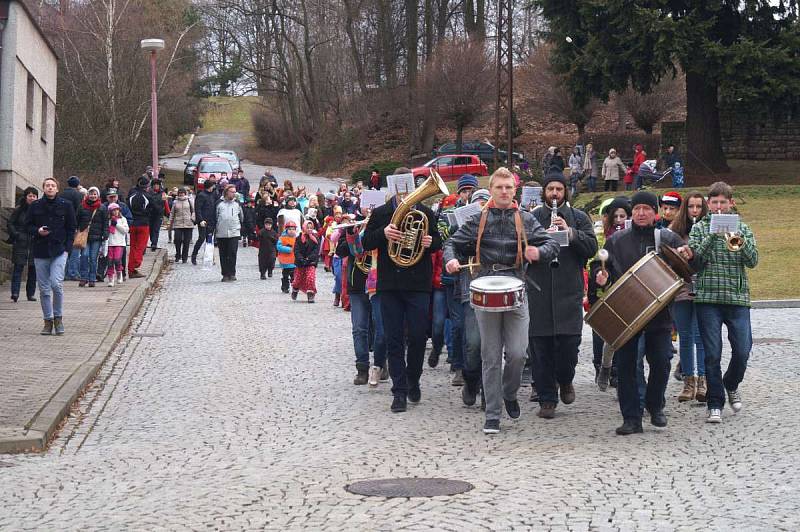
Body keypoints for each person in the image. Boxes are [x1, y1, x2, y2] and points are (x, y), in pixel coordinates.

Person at [445, 167, 559, 434]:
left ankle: (509, 393)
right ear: (492, 190)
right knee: (491, 355)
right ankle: (493, 414)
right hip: (484, 288)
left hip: (517, 288)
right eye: (499, 188)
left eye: (509, 187)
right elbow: (452, 242)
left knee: (519, 353)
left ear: (515, 190)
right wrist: (451, 259)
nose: (504, 192)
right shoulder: (478, 219)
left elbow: (552, 245)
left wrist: (538, 251)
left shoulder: (526, 219)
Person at [592, 191, 685, 435]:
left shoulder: (668, 238)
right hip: (626, 311)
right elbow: (600, 268)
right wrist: (600, 277)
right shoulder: (617, 240)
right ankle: (631, 418)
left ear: (655, 213)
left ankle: (655, 405)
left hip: (659, 311)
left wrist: (689, 255)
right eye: (637, 209)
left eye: (646, 209)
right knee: (626, 365)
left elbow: (689, 266)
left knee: (662, 361)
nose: (641, 213)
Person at [362, 167, 442, 414]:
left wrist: (431, 242)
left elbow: (437, 241)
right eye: (400, 186)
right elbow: (366, 243)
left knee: (418, 336)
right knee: (394, 337)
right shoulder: (382, 213)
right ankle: (399, 390)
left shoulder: (425, 213)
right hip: (390, 284)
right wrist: (383, 233)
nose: (405, 191)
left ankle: (413, 378)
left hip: (418, 284)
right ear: (393, 187)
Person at [684, 181, 758, 424]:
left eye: (722, 202)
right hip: (707, 299)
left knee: (743, 351)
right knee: (712, 354)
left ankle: (731, 383)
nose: (718, 207)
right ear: (708, 204)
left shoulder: (743, 228)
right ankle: (715, 403)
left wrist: (737, 239)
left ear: (730, 203)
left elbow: (753, 261)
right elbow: (694, 262)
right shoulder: (699, 229)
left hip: (737, 299)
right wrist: (712, 237)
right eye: (714, 202)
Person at [527, 170, 598, 419]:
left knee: (569, 347)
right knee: (541, 349)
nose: (554, 193)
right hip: (539, 291)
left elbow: (591, 249)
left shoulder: (578, 217)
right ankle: (547, 398)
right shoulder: (532, 217)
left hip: (568, 291)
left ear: (565, 191)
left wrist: (570, 233)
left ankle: (566, 380)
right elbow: (521, 246)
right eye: (550, 189)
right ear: (544, 192)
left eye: (559, 189)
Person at [669, 192, 708, 403]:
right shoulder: (675, 232)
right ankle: (688, 381)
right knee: (685, 335)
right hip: (682, 288)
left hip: (703, 287)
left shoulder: (708, 231)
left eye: (699, 207)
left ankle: (703, 380)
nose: (695, 211)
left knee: (700, 335)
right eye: (691, 207)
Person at [27, 177, 77, 335]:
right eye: (47, 185)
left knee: (56, 284)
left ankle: (58, 318)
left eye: (52, 185)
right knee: (44, 289)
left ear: (57, 188)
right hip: (40, 251)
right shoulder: (35, 206)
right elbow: (26, 225)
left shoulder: (66, 205)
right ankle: (47, 321)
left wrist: (68, 249)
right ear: (43, 188)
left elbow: (71, 228)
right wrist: (37, 231)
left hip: (59, 250)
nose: (50, 188)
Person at [8, 187, 39, 302]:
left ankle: (30, 294)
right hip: (21, 241)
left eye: (34, 196)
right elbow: (10, 223)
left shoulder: (39, 210)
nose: (32, 198)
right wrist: (16, 234)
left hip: (34, 241)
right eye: (30, 195)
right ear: (26, 196)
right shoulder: (19, 210)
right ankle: (15, 292)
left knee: (33, 269)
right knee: (18, 268)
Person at [76, 187, 109, 288]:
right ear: (88, 195)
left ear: (98, 195)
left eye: (95, 194)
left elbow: (105, 223)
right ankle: (83, 278)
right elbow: (77, 220)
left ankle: (92, 279)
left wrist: (105, 234)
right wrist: (77, 230)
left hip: (97, 237)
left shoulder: (102, 208)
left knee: (93, 259)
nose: (93, 196)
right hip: (84, 236)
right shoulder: (82, 206)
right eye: (91, 194)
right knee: (84, 256)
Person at [214, 185, 243, 282]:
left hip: (234, 232)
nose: (234, 194)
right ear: (226, 192)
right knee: (223, 254)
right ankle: (225, 274)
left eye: (235, 192)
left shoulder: (237, 204)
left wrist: (239, 227)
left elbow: (241, 217)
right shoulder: (219, 204)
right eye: (232, 192)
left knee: (232, 253)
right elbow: (215, 217)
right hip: (221, 233)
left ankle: (232, 273)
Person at [127, 176, 153, 278]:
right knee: (141, 246)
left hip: (133, 224)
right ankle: (136, 264)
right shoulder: (148, 196)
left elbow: (127, 208)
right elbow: (154, 209)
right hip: (143, 224)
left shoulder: (131, 195)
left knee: (133, 246)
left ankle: (130, 269)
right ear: (147, 186)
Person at [59, 175, 83, 280]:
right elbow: (80, 211)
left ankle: (62, 273)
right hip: (74, 225)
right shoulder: (78, 195)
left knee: (64, 250)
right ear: (77, 184)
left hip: (61, 226)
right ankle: (72, 273)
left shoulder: (60, 195)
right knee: (75, 250)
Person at [290, 220, 320, 302]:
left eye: (311, 227)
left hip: (311, 262)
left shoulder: (315, 238)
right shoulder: (299, 238)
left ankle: (310, 295)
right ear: (304, 227)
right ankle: (295, 289)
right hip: (300, 263)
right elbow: (296, 250)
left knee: (310, 278)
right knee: (298, 280)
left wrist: (309, 259)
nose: (309, 229)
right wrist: (301, 259)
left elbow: (316, 251)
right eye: (308, 227)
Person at [191, 180, 217, 265]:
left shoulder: (213, 194)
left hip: (211, 220)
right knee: (201, 238)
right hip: (203, 220)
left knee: (209, 240)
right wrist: (200, 220)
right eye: (213, 185)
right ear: (210, 186)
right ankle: (194, 255)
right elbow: (198, 208)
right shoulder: (201, 195)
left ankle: (209, 257)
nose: (214, 187)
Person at [104, 203, 129, 287]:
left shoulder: (122, 219)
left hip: (119, 243)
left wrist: (116, 224)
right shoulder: (108, 220)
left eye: (117, 210)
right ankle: (111, 278)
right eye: (113, 210)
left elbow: (125, 231)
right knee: (110, 261)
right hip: (110, 243)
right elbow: (106, 230)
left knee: (117, 259)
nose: (115, 212)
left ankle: (119, 273)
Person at [168, 187, 194, 264]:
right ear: (178, 194)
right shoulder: (175, 202)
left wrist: (193, 219)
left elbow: (194, 211)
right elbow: (172, 213)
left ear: (185, 194)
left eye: (182, 193)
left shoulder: (189, 201)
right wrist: (170, 222)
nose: (181, 195)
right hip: (178, 224)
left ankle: (184, 257)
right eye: (180, 193)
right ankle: (178, 254)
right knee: (177, 240)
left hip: (188, 224)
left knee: (186, 242)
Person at [277, 220, 298, 293]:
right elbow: (279, 247)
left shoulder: (297, 238)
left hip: (294, 261)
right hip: (285, 261)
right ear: (286, 230)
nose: (291, 231)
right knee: (285, 275)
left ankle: (295, 287)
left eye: (293, 229)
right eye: (289, 229)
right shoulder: (282, 238)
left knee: (294, 276)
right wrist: (288, 249)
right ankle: (285, 287)